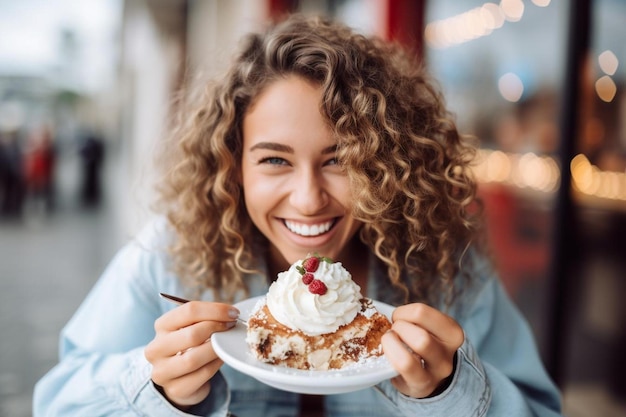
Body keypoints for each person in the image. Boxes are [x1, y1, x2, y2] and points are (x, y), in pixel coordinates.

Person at [33, 14, 562, 417]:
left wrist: (452, 391)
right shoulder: (171, 258)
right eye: (274, 160)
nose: (308, 200)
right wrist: (157, 390)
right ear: (232, 165)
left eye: (340, 160)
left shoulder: (449, 273)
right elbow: (57, 401)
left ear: (384, 165)